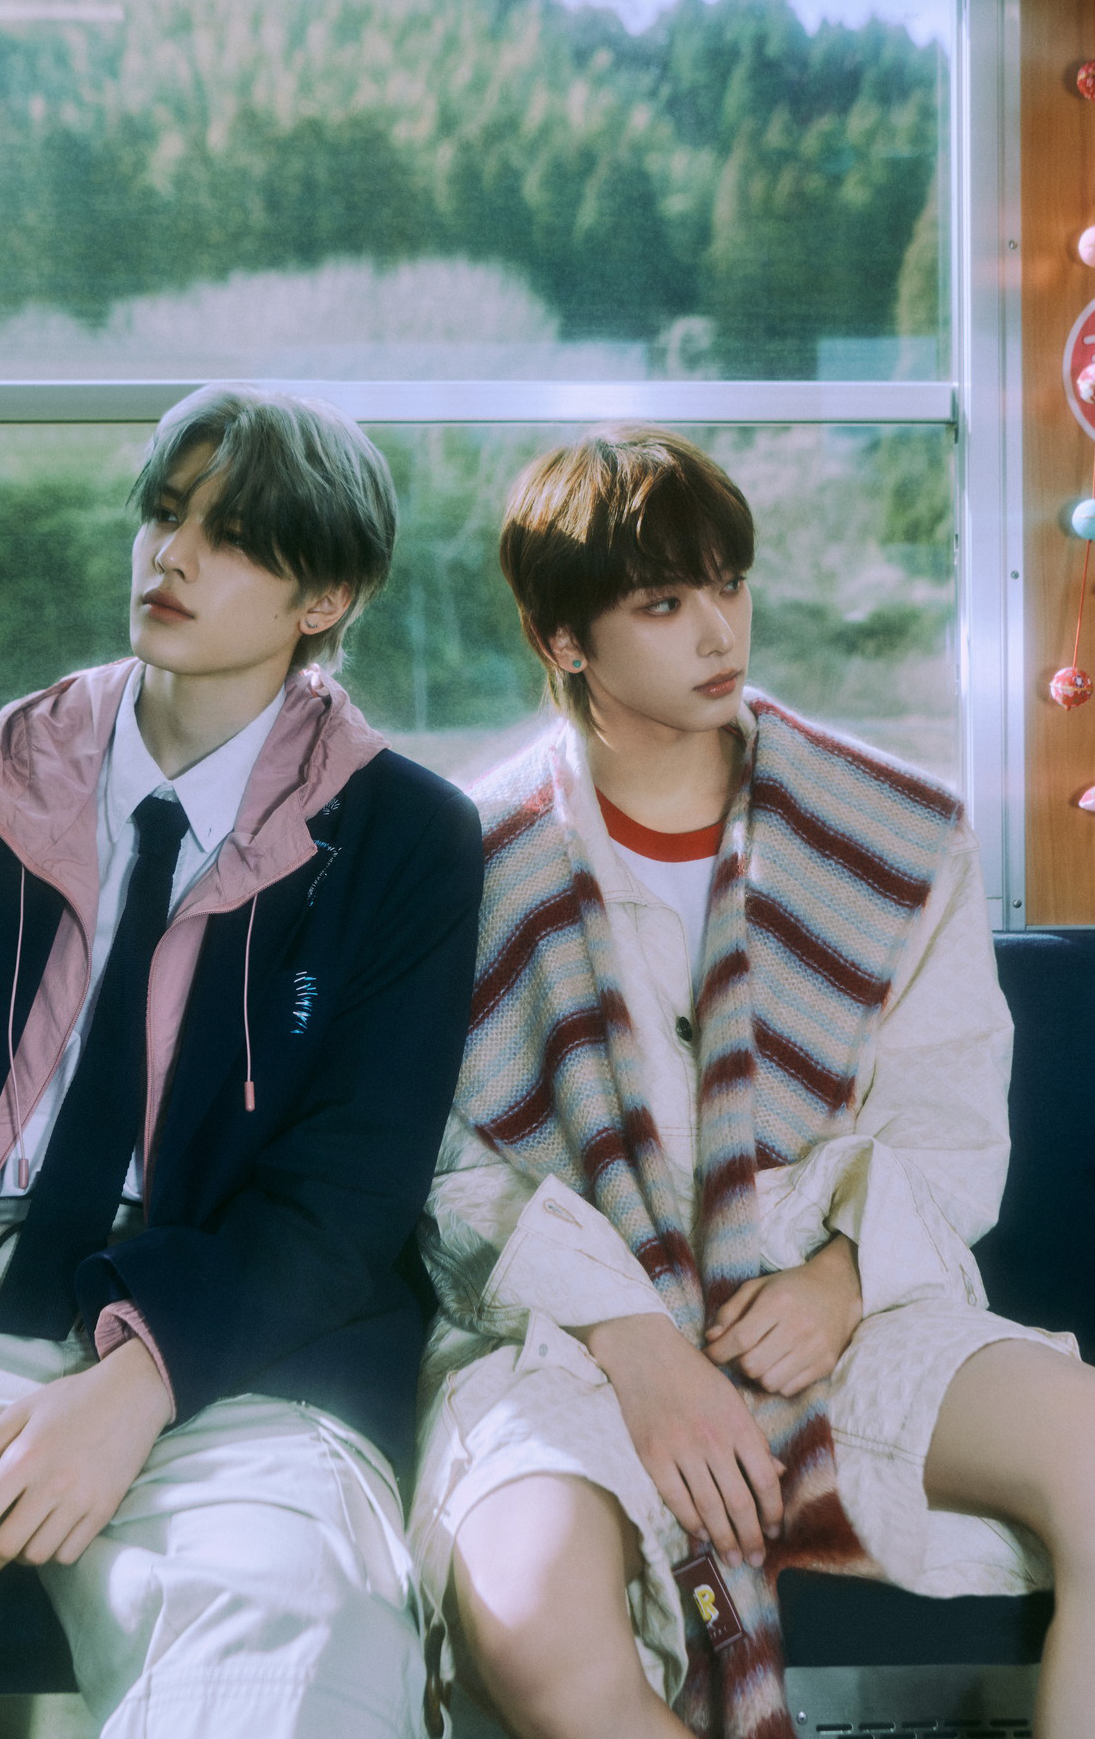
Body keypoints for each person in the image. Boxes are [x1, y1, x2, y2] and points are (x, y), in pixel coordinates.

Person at [0, 385, 483, 1739]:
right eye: (164, 513)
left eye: (232, 537)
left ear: (326, 596)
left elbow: (348, 1196)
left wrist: (144, 1377)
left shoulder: (406, 837)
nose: (171, 554)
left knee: (296, 1677)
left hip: (241, 1356)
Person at [410, 425, 1095, 1739]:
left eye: (728, 586)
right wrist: (633, 1339)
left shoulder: (893, 833)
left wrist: (842, 1278)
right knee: (530, 1615)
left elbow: (948, 1116)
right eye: (664, 604)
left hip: (835, 1309)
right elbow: (447, 1174)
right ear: (563, 639)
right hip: (563, 1337)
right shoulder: (463, 866)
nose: (720, 630)